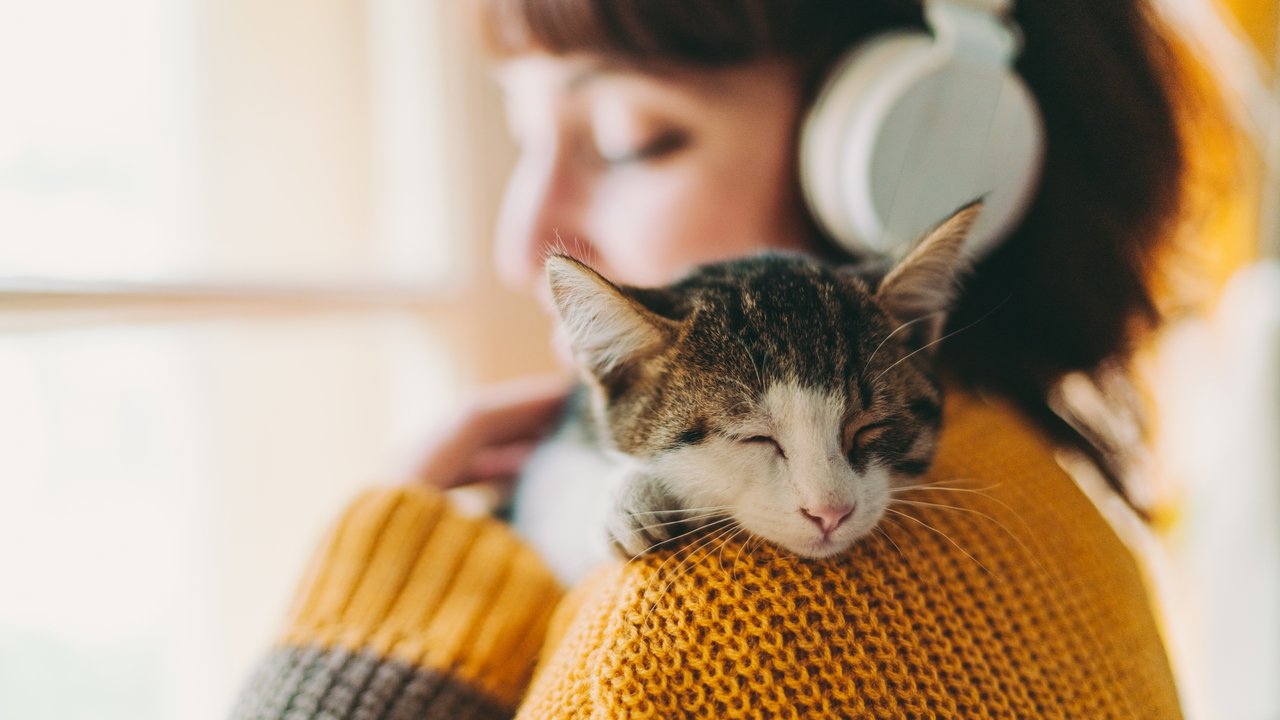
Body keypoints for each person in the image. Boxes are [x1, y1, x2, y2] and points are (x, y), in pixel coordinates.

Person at [232, 1, 1214, 717]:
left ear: (917, 158)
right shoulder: (1025, 489)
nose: (520, 238)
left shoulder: (707, 623)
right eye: (520, 134)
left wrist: (366, 649)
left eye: (633, 138)